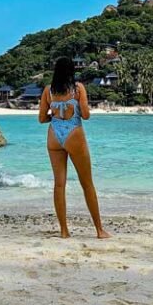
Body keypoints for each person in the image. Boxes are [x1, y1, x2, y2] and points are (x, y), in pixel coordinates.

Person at [38, 56, 110, 239]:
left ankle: (64, 231)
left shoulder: (48, 90)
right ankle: (99, 230)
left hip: (54, 135)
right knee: (87, 184)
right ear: (72, 71)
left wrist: (54, 116)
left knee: (59, 184)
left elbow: (41, 118)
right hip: (74, 134)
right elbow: (85, 115)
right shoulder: (78, 89)